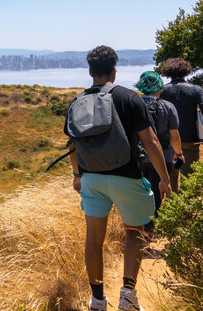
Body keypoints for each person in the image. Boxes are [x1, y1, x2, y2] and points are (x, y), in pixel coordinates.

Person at [66, 46, 171, 311]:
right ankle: (128, 296)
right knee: (134, 232)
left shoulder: (77, 102)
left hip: (91, 178)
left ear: (90, 71)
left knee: (94, 239)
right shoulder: (129, 97)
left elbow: (72, 145)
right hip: (127, 176)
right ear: (114, 70)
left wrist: (77, 175)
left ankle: (97, 300)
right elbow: (151, 141)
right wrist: (164, 178)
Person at [134, 70, 183, 232]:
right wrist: (179, 153)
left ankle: (139, 230)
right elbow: (174, 135)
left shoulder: (133, 105)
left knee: (138, 195)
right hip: (163, 157)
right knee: (156, 195)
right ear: (160, 87)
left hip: (137, 158)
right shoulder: (168, 107)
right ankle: (149, 232)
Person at [158, 58, 203, 191]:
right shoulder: (196, 90)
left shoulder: (161, 91)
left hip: (167, 139)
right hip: (190, 138)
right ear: (186, 72)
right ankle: (186, 205)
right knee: (189, 175)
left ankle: (172, 202)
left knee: (171, 172)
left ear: (168, 72)